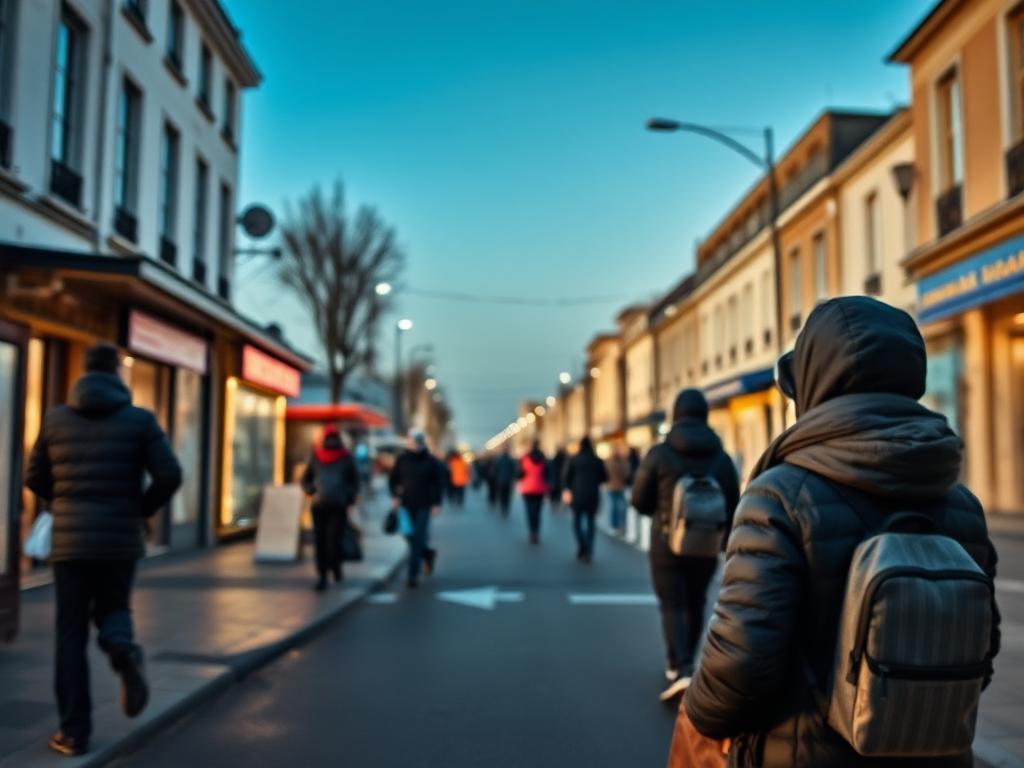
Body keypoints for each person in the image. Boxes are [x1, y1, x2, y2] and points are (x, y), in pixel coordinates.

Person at [682, 297, 1001, 767]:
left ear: (812, 379)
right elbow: (982, 646)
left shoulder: (779, 496)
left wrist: (697, 717)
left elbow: (741, 660)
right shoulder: (961, 504)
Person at [24, 343, 182, 757]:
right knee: (114, 608)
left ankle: (73, 733)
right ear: (118, 374)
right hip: (118, 540)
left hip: (70, 544)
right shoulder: (140, 421)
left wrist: (63, 502)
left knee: (70, 634)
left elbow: (34, 476)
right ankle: (122, 649)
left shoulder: (56, 420)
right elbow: (170, 474)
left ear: (84, 372)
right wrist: (139, 510)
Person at [631, 388, 739, 702]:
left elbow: (638, 500)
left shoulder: (659, 453)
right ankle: (688, 665)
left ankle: (678, 665)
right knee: (695, 602)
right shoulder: (721, 456)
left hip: (666, 542)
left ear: (675, 415)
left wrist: (663, 512)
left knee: (672, 603)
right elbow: (734, 502)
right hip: (706, 542)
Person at [301, 425, 360, 591]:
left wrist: (311, 490)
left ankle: (322, 577)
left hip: (319, 504)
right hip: (338, 505)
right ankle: (335, 567)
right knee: (334, 539)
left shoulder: (316, 455)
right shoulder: (346, 456)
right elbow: (354, 482)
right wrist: (349, 499)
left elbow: (305, 479)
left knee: (320, 541)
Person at [389, 431, 443, 588]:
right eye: (413, 443)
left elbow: (438, 484)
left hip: (425, 505)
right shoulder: (402, 459)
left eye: (419, 443)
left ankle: (412, 575)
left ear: (423, 444)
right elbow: (393, 480)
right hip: (405, 506)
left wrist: (437, 503)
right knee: (408, 536)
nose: (416, 446)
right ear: (408, 443)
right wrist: (394, 496)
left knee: (418, 538)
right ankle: (427, 554)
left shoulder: (431, 461)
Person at [562, 437, 608, 563]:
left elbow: (566, 477)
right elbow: (604, 477)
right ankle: (589, 549)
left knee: (576, 521)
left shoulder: (574, 459)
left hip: (577, 495)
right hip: (592, 496)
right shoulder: (597, 460)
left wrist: (568, 489)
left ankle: (581, 544)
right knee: (591, 523)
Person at [518, 441, 549, 544]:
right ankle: (536, 532)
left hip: (527, 488)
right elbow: (547, 474)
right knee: (538, 511)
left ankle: (531, 532)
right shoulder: (543, 458)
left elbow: (519, 473)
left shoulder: (525, 458)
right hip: (540, 488)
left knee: (529, 511)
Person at [604, 443, 630, 533]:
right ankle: (615, 525)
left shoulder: (618, 461)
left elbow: (626, 473)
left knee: (618, 507)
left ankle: (619, 525)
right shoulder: (610, 461)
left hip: (618, 486)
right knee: (615, 507)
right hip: (613, 487)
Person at [492, 446, 516, 517]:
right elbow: (513, 470)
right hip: (508, 480)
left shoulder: (499, 459)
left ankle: (503, 508)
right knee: (507, 496)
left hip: (501, 480)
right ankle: (506, 508)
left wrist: (496, 478)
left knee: (502, 495)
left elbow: (496, 470)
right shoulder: (511, 459)